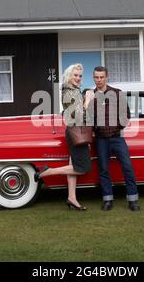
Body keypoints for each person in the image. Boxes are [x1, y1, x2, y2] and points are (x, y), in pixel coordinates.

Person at [34, 64, 94, 210]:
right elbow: (79, 115)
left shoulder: (73, 90)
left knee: (73, 166)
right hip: (76, 132)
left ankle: (71, 198)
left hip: (77, 130)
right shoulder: (69, 91)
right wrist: (88, 100)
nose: (78, 78)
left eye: (80, 76)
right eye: (75, 75)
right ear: (69, 76)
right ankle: (47, 172)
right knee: (83, 168)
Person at [92, 66, 140, 211]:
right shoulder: (89, 95)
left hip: (117, 138)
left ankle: (133, 200)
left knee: (127, 167)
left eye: (101, 77)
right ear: (93, 78)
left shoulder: (117, 93)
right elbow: (86, 116)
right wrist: (96, 128)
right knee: (104, 170)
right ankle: (107, 200)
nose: (99, 80)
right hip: (100, 139)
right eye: (96, 77)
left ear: (107, 77)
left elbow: (126, 114)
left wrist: (117, 127)